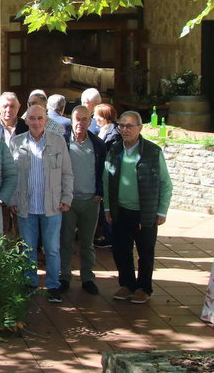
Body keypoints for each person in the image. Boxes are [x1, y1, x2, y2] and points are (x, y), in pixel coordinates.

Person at [104, 110, 173, 305]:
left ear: (140, 128)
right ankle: (127, 285)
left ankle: (143, 288)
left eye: (129, 126)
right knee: (121, 250)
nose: (125, 129)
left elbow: (165, 183)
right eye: (122, 125)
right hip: (121, 210)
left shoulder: (152, 151)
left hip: (145, 212)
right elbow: (107, 180)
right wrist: (108, 208)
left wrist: (161, 210)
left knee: (145, 252)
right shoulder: (115, 149)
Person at [9, 105, 73, 303]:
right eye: (32, 118)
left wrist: (66, 198)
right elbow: (11, 175)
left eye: (39, 118)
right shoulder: (16, 142)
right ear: (26, 120)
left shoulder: (58, 141)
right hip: (25, 205)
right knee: (28, 248)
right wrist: (11, 199)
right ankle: (30, 282)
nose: (36, 122)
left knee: (52, 249)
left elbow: (67, 173)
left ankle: (53, 286)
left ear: (46, 121)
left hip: (52, 206)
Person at [60, 106, 106, 295]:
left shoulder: (97, 144)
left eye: (85, 119)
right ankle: (64, 277)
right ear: (71, 120)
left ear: (90, 121)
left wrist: (99, 192)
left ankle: (87, 278)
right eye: (77, 119)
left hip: (90, 200)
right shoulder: (62, 142)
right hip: (68, 201)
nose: (80, 123)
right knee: (65, 242)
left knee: (87, 243)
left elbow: (104, 170)